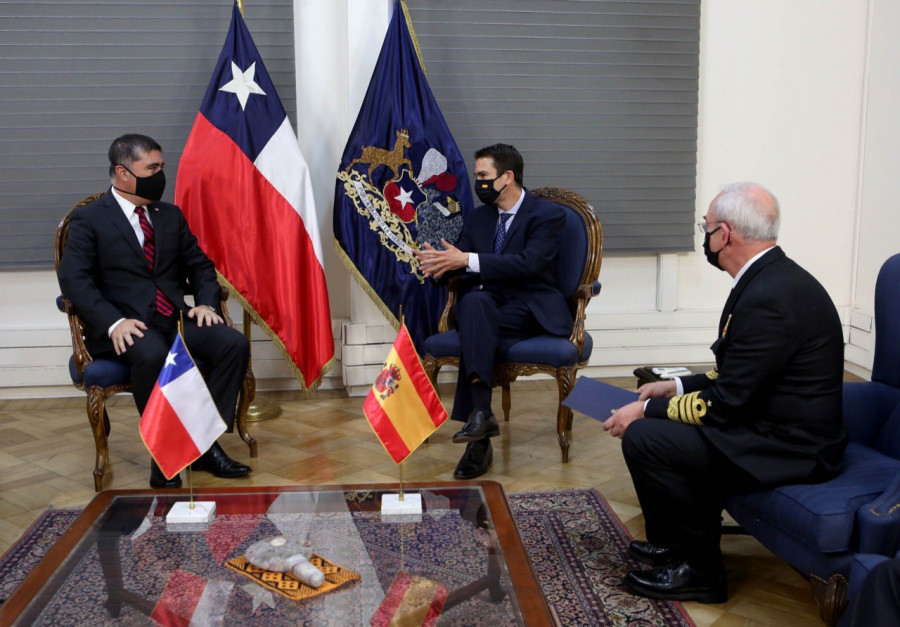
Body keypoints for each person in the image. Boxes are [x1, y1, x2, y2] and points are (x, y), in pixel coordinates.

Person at [603, 182, 846, 603]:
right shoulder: (770, 280)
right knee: (652, 431)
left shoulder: (771, 295)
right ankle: (674, 549)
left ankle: (700, 572)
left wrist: (648, 411)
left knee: (648, 437)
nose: (705, 235)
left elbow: (730, 401)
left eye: (706, 226)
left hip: (790, 447)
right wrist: (675, 385)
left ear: (725, 234)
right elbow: (737, 375)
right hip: (769, 425)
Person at [57, 134, 252, 489]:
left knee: (232, 344)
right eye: (152, 168)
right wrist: (112, 321)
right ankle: (163, 455)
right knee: (153, 353)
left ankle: (204, 443)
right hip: (124, 326)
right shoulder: (90, 219)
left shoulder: (169, 215)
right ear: (123, 172)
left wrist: (206, 303)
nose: (161, 174)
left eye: (162, 166)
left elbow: (201, 266)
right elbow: (74, 281)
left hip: (173, 318)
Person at [414, 144, 572, 479]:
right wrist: (441, 266)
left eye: (484, 176)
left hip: (529, 306)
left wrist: (466, 260)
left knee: (475, 320)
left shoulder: (547, 215)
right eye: (477, 177)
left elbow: (528, 264)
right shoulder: (480, 216)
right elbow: (461, 262)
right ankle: (482, 415)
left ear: (507, 177)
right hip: (486, 304)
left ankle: (479, 442)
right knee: (474, 305)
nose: (479, 183)